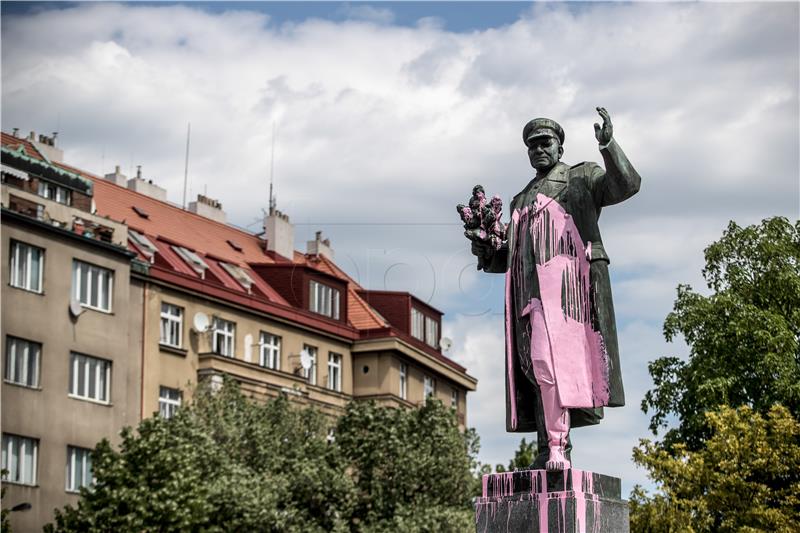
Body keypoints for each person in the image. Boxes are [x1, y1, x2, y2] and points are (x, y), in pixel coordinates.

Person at [471, 107, 641, 470]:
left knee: (558, 366)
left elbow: (625, 185)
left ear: (560, 146)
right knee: (535, 369)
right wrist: (484, 245)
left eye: (545, 143)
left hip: (571, 295)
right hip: (528, 299)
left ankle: (558, 446)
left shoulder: (580, 177)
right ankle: (548, 447)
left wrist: (608, 145)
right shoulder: (520, 200)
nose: (538, 150)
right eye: (532, 146)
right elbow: (506, 258)